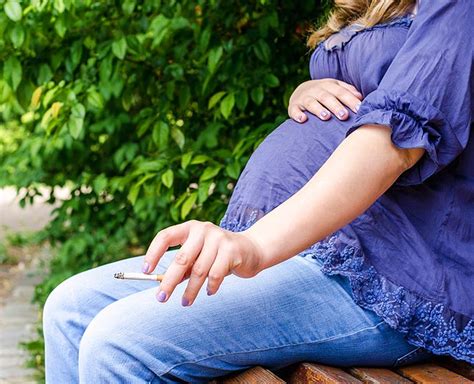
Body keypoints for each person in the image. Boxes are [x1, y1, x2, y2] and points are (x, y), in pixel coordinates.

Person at [43, 0, 473, 382]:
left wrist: (253, 245)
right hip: (309, 248)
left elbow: (391, 146)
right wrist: (307, 89)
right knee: (69, 309)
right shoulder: (379, 6)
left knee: (119, 343)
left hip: (390, 271)